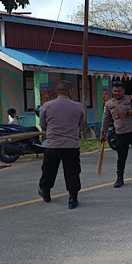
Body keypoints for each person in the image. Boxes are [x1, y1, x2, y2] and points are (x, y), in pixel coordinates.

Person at [38, 80, 86, 209]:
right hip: (71, 144)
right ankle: (72, 198)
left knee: (49, 170)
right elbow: (80, 123)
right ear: (70, 91)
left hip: (53, 144)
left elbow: (42, 125)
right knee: (72, 171)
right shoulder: (78, 106)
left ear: (57, 91)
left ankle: (46, 192)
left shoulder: (47, 106)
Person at [100, 80, 132, 188]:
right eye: (114, 91)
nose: (117, 93)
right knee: (121, 157)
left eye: (119, 91)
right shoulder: (109, 104)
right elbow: (106, 119)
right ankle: (119, 179)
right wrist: (102, 132)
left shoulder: (131, 99)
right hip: (120, 133)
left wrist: (129, 112)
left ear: (123, 91)